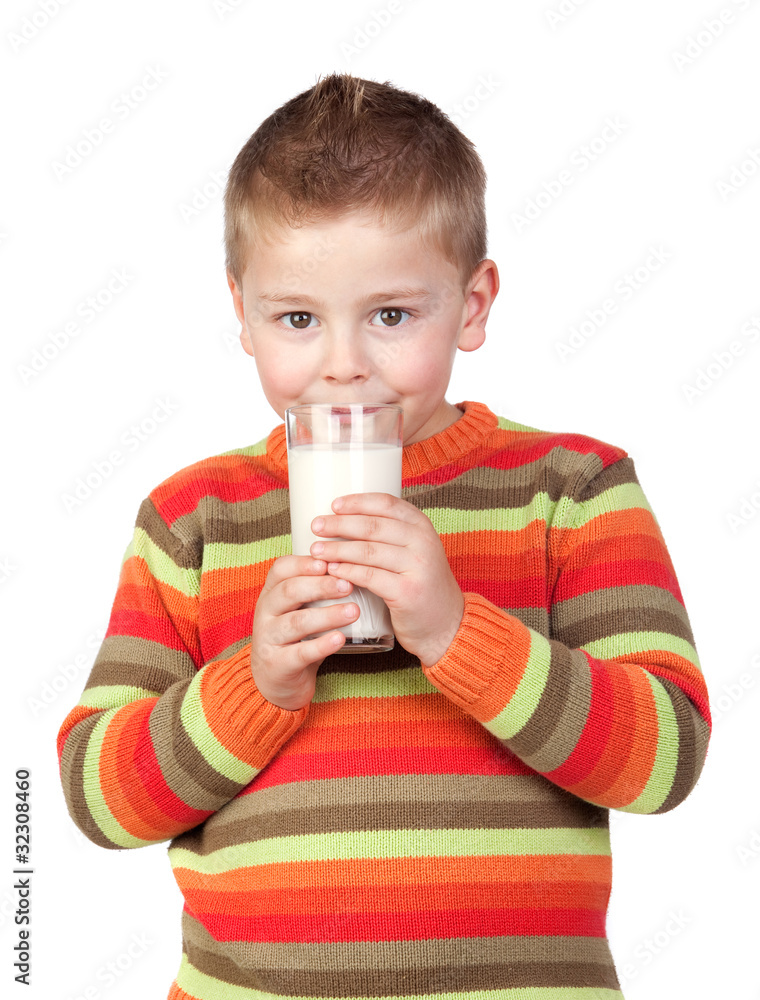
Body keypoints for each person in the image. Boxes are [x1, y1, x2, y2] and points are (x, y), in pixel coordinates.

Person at [56, 72, 711, 999]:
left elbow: (665, 760)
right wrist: (255, 684)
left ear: (472, 305)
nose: (344, 366)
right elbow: (98, 797)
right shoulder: (194, 518)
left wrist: (457, 631)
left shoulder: (573, 492)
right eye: (298, 319)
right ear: (242, 314)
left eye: (392, 316)